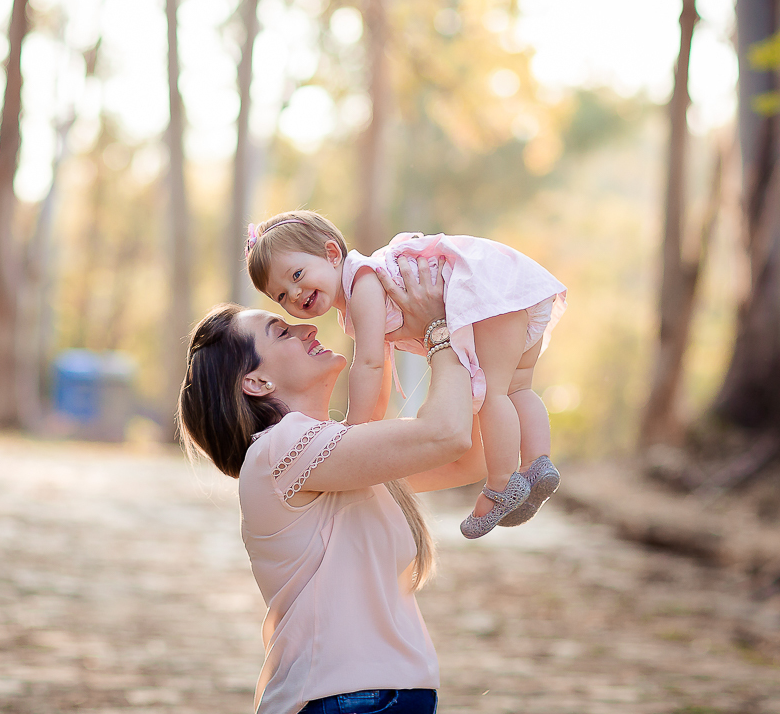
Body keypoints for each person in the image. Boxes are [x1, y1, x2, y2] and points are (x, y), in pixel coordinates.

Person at [179, 257, 482, 714]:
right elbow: (447, 433)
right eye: (282, 331)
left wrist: (440, 332)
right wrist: (441, 328)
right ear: (256, 382)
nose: (308, 328)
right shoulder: (278, 451)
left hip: (394, 694)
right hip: (342, 699)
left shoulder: (337, 453)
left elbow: (470, 456)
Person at [244, 211, 567, 538]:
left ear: (331, 254)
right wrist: (367, 427)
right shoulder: (363, 288)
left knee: (493, 394)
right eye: (281, 296)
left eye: (297, 275)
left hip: (485, 294)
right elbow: (380, 374)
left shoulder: (364, 284)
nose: (294, 294)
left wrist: (352, 429)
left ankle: (501, 486)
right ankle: (537, 463)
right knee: (517, 388)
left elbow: (369, 364)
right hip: (509, 287)